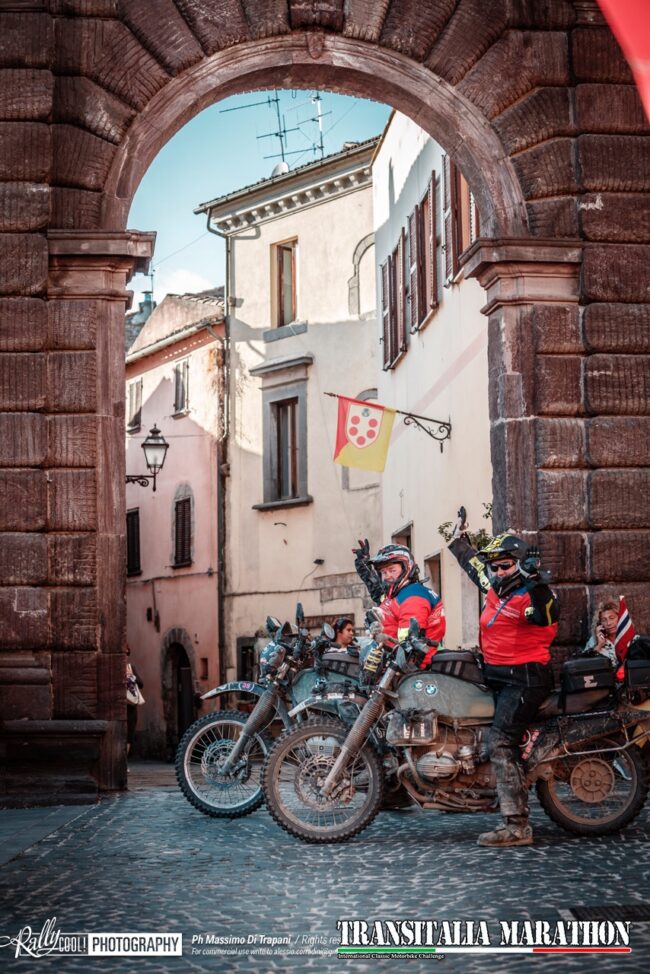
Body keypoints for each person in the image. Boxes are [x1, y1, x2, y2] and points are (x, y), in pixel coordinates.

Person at [448, 514, 558, 848]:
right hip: (497, 675)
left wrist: (537, 581)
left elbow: (548, 615)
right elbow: (473, 566)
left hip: (525, 679)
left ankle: (517, 826)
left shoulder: (530, 594)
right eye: (495, 567)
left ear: (521, 565)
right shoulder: (495, 588)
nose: (498, 572)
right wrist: (457, 542)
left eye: (505, 566)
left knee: (499, 742)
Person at [358, 543, 446, 666]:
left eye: (392, 570)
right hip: (395, 662)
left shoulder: (413, 596)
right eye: (383, 572)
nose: (387, 576)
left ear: (406, 568)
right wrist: (362, 565)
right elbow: (376, 589)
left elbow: (410, 645)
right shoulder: (396, 594)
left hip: (415, 669)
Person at [125, 646, 144, 761]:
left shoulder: (131, 667)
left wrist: (132, 677)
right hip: (118, 706)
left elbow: (141, 684)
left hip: (131, 706)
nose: (125, 656)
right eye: (123, 653)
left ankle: (124, 762)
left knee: (129, 736)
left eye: (127, 653)